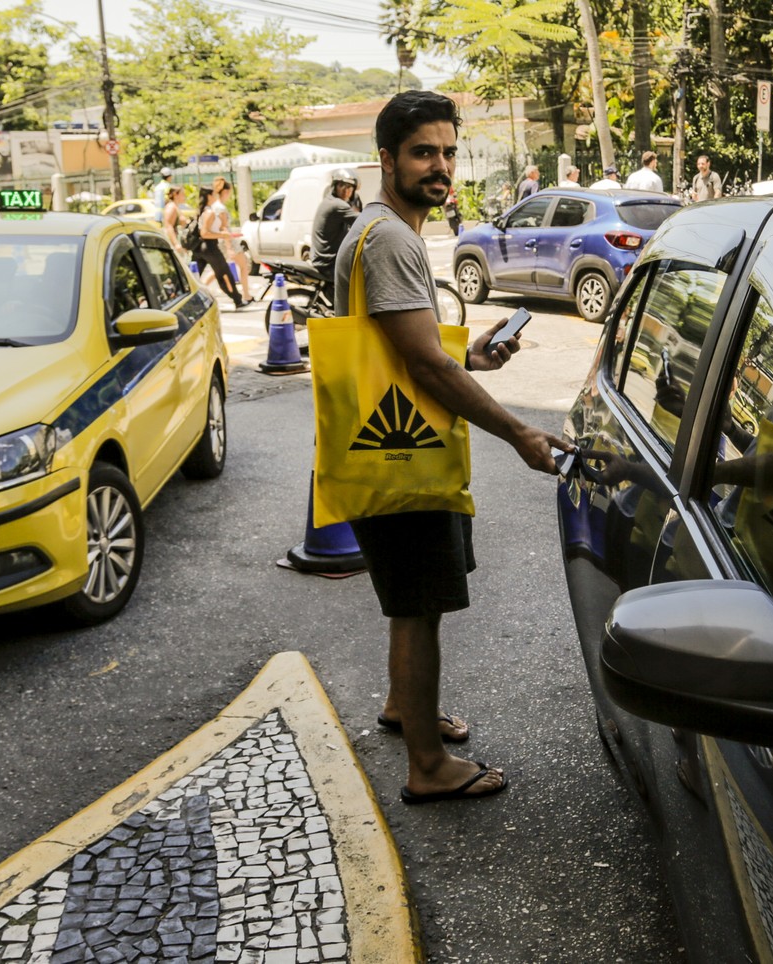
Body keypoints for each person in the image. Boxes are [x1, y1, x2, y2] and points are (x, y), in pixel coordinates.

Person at [334, 89, 573, 804]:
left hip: (383, 441)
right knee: (418, 606)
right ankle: (427, 766)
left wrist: (469, 356)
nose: (439, 167)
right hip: (400, 453)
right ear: (386, 160)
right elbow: (421, 365)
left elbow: (404, 349)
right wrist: (521, 432)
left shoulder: (373, 231)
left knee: (415, 601)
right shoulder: (394, 240)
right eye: (422, 153)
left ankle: (404, 705)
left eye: (446, 152)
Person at [311, 168, 361, 302]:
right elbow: (364, 221)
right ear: (334, 187)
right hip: (328, 262)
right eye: (341, 186)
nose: (346, 190)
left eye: (349, 187)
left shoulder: (329, 200)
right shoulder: (338, 205)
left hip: (324, 258)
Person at [197, 179, 246, 309]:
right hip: (210, 247)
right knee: (225, 275)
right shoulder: (209, 212)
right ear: (209, 196)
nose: (216, 196)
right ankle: (238, 300)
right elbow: (204, 233)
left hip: (202, 249)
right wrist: (222, 235)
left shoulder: (203, 210)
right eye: (213, 194)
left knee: (196, 276)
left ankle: (237, 299)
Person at [162, 184, 188, 255]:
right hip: (173, 244)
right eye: (182, 194)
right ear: (175, 194)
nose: (184, 196)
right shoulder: (171, 207)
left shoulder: (175, 207)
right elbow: (168, 226)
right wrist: (176, 244)